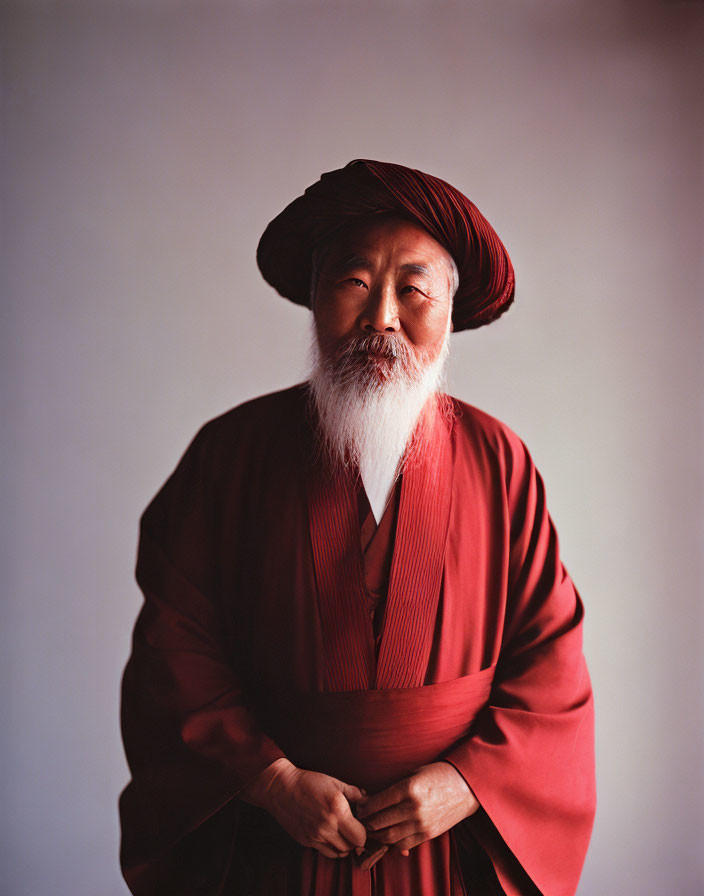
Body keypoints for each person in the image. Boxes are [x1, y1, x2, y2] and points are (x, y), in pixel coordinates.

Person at [119, 159, 596, 895]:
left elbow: (551, 663)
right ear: (313, 297)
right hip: (275, 842)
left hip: (449, 851)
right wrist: (272, 780)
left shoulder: (499, 461)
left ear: (448, 309)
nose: (382, 318)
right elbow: (173, 646)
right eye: (353, 283)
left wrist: (469, 782)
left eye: (412, 290)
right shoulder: (231, 454)